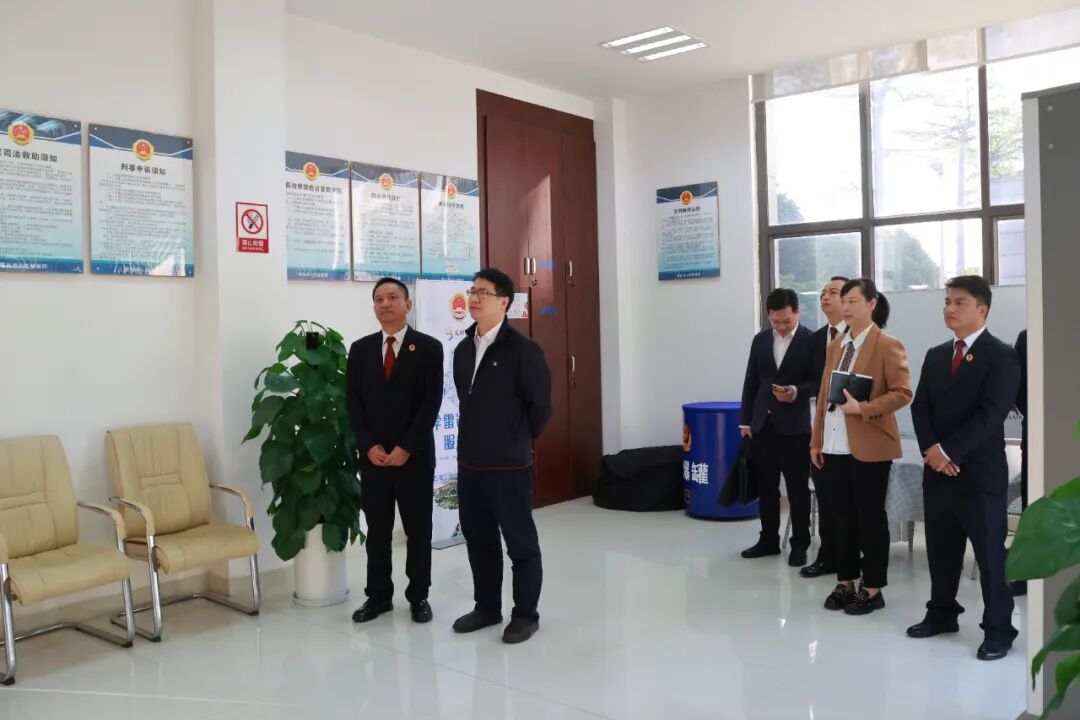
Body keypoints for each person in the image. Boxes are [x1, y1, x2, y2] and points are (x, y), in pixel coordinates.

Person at [907, 275, 1021, 661]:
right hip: (938, 471)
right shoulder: (936, 355)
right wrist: (933, 451)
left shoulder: (1001, 356)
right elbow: (920, 407)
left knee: (989, 556)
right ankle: (942, 613)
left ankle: (999, 629)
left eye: (959, 302)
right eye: (947, 302)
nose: (949, 309)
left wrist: (949, 452)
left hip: (979, 474)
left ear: (982, 309)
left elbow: (991, 415)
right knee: (941, 550)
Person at [451, 268, 552, 644]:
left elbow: (540, 408)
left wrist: (514, 438)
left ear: (504, 302)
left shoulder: (524, 350)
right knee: (479, 540)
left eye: (484, 293)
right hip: (470, 464)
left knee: (520, 543)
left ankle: (525, 614)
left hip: (509, 465)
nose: (474, 298)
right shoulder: (463, 349)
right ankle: (487, 607)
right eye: (472, 291)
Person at [810, 279, 912, 615]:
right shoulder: (836, 344)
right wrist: (816, 439)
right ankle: (845, 581)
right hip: (834, 443)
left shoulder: (887, 344)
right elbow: (823, 395)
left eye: (853, 301)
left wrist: (863, 408)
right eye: (844, 301)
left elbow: (902, 393)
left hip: (870, 444)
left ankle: (873, 588)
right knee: (840, 516)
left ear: (872, 304)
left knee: (869, 517)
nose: (846, 307)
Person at [346, 277, 444, 624]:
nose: (385, 304)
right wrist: (368, 445)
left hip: (413, 458)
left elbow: (430, 404)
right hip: (374, 458)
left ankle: (419, 596)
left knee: (418, 530)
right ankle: (378, 596)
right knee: (378, 530)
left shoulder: (428, 348)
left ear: (407, 304)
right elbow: (353, 403)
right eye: (378, 299)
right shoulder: (360, 349)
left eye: (392, 297)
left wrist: (406, 447)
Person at [738, 288, 817, 567]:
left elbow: (818, 382)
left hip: (795, 428)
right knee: (766, 487)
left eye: (786, 321)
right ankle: (768, 539)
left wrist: (796, 391)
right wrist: (746, 421)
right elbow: (751, 381)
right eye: (775, 321)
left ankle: (800, 544)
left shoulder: (811, 340)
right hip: (763, 424)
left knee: (797, 489)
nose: (781, 327)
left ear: (797, 312)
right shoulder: (760, 340)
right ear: (769, 316)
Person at [800, 276, 849, 579]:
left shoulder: (861, 337)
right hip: (821, 429)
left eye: (834, 292)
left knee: (849, 502)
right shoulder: (816, 339)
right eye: (823, 292)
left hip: (852, 431)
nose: (825, 297)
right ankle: (828, 555)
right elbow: (811, 381)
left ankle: (850, 558)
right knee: (826, 497)